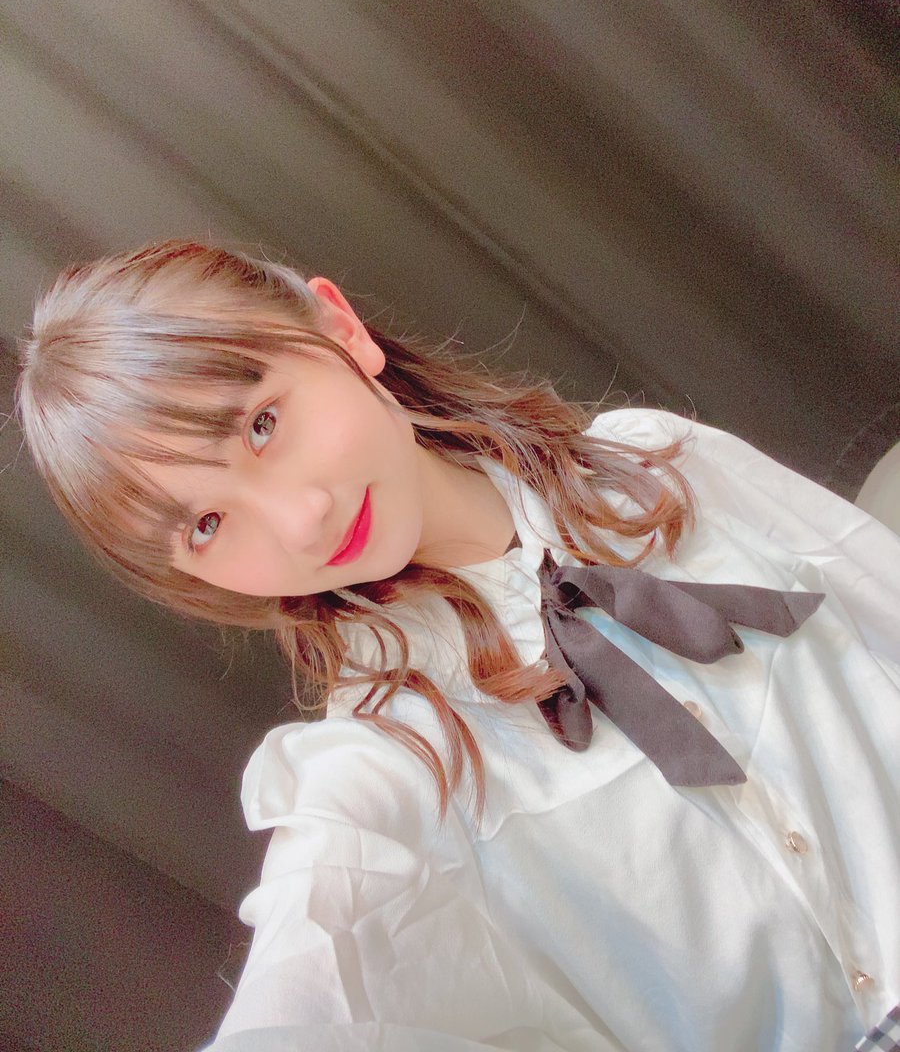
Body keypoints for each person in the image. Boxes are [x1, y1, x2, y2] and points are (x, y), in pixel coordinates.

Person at [15, 240, 900, 1052]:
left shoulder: (654, 467)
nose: (301, 518)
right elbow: (307, 986)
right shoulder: (388, 767)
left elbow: (880, 595)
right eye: (207, 525)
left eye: (261, 426)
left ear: (341, 328)